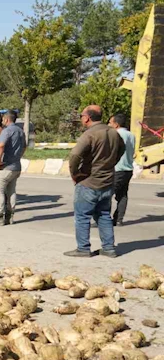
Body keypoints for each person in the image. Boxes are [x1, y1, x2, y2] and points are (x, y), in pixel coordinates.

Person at [65, 105, 125, 258]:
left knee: (82, 216)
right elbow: (122, 150)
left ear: (87, 118)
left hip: (89, 182)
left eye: (81, 116)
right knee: (104, 214)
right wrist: (110, 164)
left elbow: (74, 155)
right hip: (107, 181)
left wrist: (75, 174)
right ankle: (109, 248)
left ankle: (83, 248)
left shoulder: (89, 134)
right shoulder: (113, 133)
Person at [0, 111, 25, 226]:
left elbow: (1, 145)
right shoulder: (20, 131)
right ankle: (10, 215)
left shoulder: (7, 131)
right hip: (16, 166)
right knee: (11, 191)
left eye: (3, 119)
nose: (2, 121)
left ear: (7, 120)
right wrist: (17, 157)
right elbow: (24, 147)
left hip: (6, 167)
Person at [109, 113, 135, 227]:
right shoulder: (131, 135)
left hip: (117, 168)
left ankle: (103, 219)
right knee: (122, 195)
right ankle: (118, 219)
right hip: (128, 169)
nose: (108, 124)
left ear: (116, 124)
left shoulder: (115, 134)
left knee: (106, 195)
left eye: (110, 122)